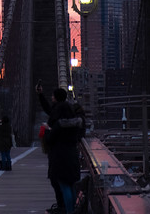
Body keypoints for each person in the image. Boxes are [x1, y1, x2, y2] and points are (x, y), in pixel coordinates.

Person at [37, 83, 83, 214]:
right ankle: (73, 210)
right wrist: (40, 95)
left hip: (59, 157)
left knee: (63, 185)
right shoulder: (75, 122)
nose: (51, 97)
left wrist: (47, 130)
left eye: (52, 96)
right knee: (71, 184)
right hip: (72, 155)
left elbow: (50, 139)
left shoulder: (58, 124)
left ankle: (68, 211)